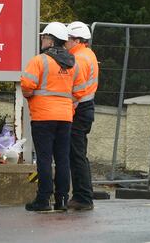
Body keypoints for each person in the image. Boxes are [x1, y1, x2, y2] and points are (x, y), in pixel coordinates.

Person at [20, 22, 77, 212]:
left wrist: (30, 96)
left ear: (51, 40)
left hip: (43, 116)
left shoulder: (40, 60)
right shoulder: (71, 63)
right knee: (62, 158)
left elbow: (27, 86)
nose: (42, 40)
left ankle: (43, 200)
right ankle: (61, 200)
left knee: (44, 158)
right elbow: (76, 92)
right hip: (65, 117)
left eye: (44, 37)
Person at [66, 21, 99, 211]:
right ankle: (83, 195)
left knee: (77, 154)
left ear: (77, 40)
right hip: (86, 108)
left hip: (79, 110)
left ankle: (83, 197)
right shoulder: (88, 54)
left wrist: (67, 110)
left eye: (68, 39)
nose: (66, 42)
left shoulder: (78, 59)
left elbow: (76, 91)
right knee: (79, 153)